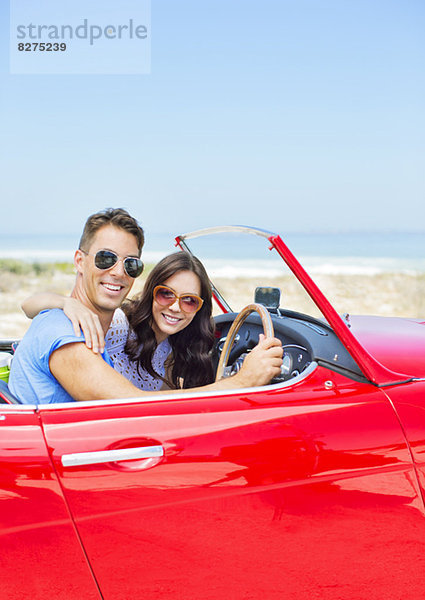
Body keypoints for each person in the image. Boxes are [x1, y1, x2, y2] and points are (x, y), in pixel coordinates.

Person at [10, 207, 283, 404]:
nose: (118, 272)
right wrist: (242, 381)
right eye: (106, 259)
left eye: (130, 264)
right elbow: (133, 406)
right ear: (80, 261)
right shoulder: (63, 333)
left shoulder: (85, 328)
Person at [23, 251, 217, 392]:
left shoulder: (169, 349)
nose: (175, 307)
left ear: (200, 308)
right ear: (151, 293)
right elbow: (27, 305)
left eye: (189, 300)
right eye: (166, 294)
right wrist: (65, 302)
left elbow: (164, 402)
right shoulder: (119, 326)